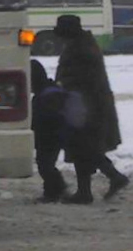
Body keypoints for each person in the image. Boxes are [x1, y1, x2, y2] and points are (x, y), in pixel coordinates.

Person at [53, 14, 129, 204]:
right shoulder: (83, 45)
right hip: (90, 104)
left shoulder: (79, 50)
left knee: (84, 147)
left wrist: (59, 87)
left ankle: (104, 181)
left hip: (86, 106)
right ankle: (89, 188)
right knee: (85, 147)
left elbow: (76, 79)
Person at [29, 59, 69, 203]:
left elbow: (44, 118)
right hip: (55, 135)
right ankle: (56, 189)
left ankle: (54, 191)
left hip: (48, 136)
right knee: (47, 164)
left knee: (45, 165)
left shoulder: (44, 97)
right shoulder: (51, 91)